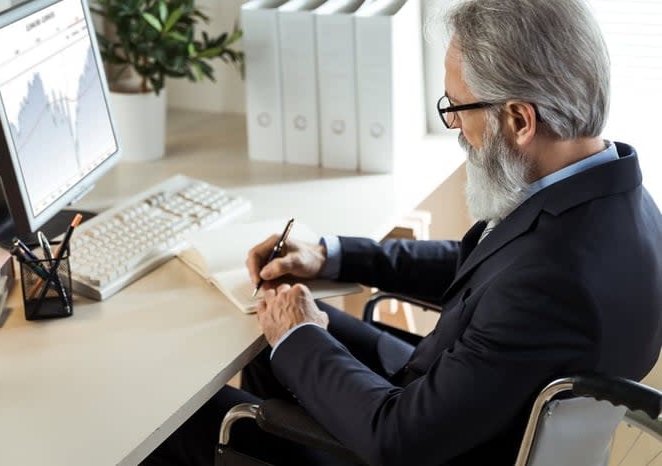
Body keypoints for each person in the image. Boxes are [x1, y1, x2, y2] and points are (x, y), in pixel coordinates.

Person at [144, 0, 662, 464]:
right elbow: (481, 265)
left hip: (419, 437)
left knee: (179, 417)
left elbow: (397, 439)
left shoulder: (552, 282)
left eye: (457, 109)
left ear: (519, 120)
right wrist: (332, 256)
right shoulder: (611, 197)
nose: (456, 128)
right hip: (465, 402)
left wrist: (299, 336)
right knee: (274, 346)